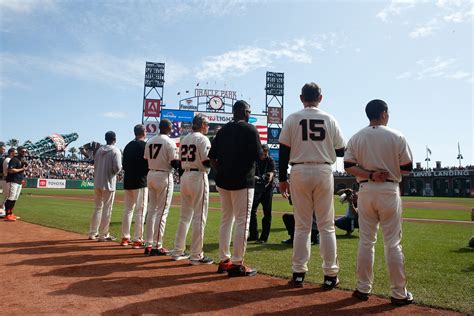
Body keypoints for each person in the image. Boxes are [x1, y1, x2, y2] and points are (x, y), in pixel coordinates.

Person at [344, 99, 414, 306]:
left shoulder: (357, 137)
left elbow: (348, 166)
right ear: (383, 113)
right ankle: (399, 293)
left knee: (366, 240)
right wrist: (387, 170)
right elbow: (407, 168)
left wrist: (370, 174)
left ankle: (362, 288)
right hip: (389, 190)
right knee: (392, 242)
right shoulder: (396, 135)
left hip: (365, 189)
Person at [278, 82, 345, 289]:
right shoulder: (329, 118)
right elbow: (342, 150)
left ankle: (298, 273)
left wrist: (282, 179)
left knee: (302, 226)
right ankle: (330, 275)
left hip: (298, 171)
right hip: (324, 170)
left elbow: (283, 152)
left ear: (301, 98)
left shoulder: (292, 118)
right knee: (326, 226)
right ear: (320, 98)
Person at [208, 100, 264, 277]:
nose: (249, 114)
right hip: (243, 182)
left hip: (223, 181)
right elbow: (259, 156)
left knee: (226, 220)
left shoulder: (223, 130)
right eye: (248, 111)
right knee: (242, 221)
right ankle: (238, 263)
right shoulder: (250, 129)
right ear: (242, 111)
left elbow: (212, 158)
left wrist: (223, 170)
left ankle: (225, 261)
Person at [171, 114, 213, 265]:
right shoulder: (203, 139)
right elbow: (206, 162)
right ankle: (196, 254)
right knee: (199, 216)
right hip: (198, 176)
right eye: (207, 124)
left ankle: (178, 250)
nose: (208, 126)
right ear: (201, 124)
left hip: (185, 177)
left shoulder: (185, 139)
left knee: (184, 217)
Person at [143, 119, 180, 256]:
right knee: (162, 212)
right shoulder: (169, 142)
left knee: (152, 210)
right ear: (168, 128)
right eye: (171, 127)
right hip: (163, 175)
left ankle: (148, 244)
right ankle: (157, 246)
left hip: (151, 173)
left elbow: (146, 159)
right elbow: (174, 163)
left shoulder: (150, 141)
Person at [88, 131, 122, 241]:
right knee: (107, 209)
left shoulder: (98, 150)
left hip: (97, 182)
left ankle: (93, 233)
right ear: (115, 139)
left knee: (97, 208)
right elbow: (117, 168)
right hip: (108, 183)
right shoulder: (115, 150)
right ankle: (104, 235)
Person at [120, 124, 149, 248]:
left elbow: (124, 166)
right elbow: (148, 164)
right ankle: (138, 239)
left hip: (128, 181)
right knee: (140, 211)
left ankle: (125, 238)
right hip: (140, 182)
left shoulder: (127, 146)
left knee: (128, 210)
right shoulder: (145, 146)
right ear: (144, 133)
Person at [248, 144, 275, 244]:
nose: (264, 155)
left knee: (267, 213)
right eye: (262, 153)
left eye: (265, 153)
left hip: (267, 190)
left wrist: (269, 176)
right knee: (251, 212)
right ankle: (253, 234)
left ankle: (264, 237)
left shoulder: (270, 160)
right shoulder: (255, 160)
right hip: (256, 189)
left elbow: (271, 173)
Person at [4, 146, 28, 221]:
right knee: (11, 197)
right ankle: (7, 214)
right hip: (13, 180)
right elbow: (10, 170)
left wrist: (24, 167)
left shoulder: (22, 160)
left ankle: (11, 213)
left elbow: (21, 170)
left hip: (18, 181)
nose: (24, 153)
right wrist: (22, 169)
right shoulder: (14, 159)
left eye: (25, 151)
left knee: (15, 198)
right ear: (18, 151)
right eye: (22, 151)